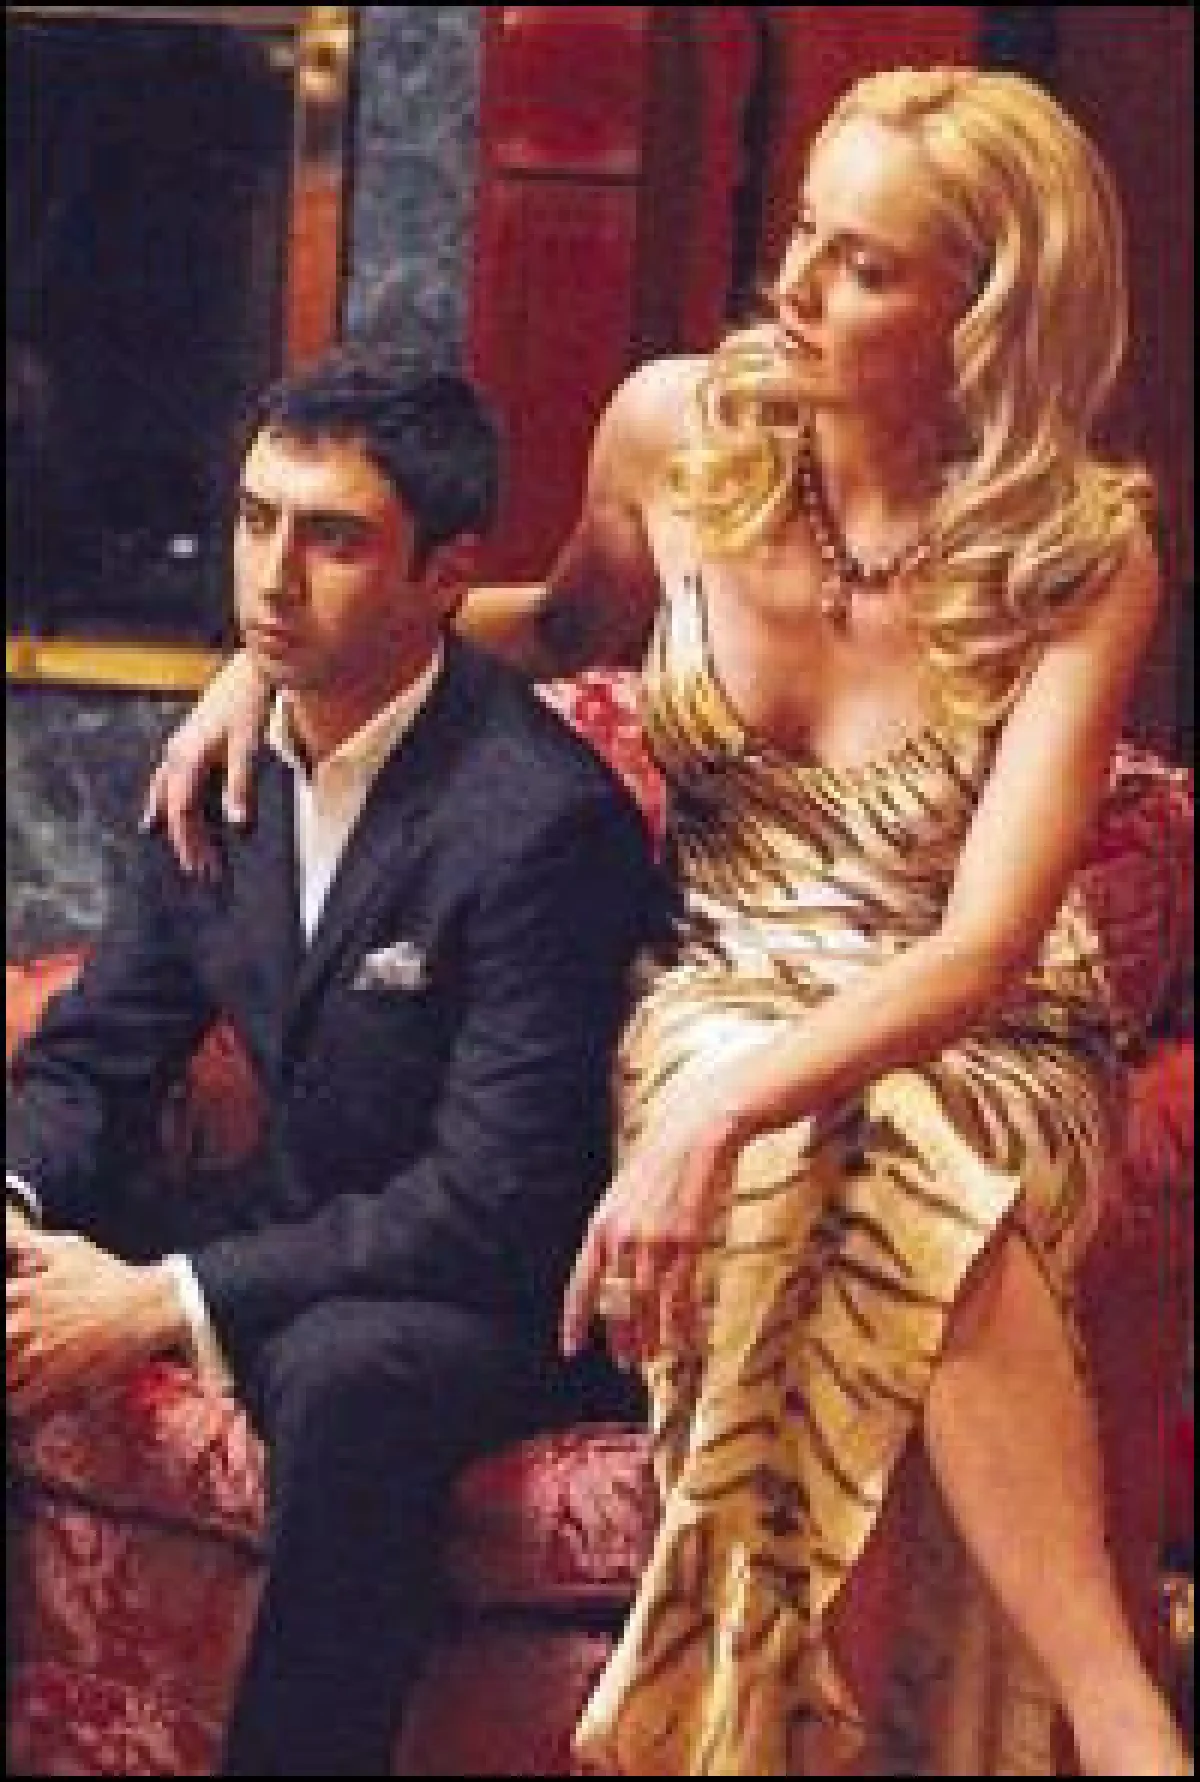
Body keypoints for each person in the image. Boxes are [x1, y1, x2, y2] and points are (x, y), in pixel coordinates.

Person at [137, 68, 1192, 1777]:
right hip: (713, 971)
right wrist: (282, 657)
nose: (798, 286)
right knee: (823, 1158)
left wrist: (721, 1113)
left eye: (865, 265)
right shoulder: (675, 434)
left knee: (863, 1143)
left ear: (987, 311)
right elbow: (558, 622)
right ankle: (1122, 1717)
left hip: (970, 1026)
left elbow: (984, 950)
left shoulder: (1081, 556)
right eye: (805, 233)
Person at [6, 344, 664, 1775]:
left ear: (446, 575)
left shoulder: (541, 824)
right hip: (295, 1220)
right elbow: (97, 1055)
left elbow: (493, 1200)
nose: (272, 578)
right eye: (256, 521)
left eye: (333, 538)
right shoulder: (222, 768)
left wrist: (164, 1298)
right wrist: (17, 1204)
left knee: (346, 1375)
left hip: (492, 1292)